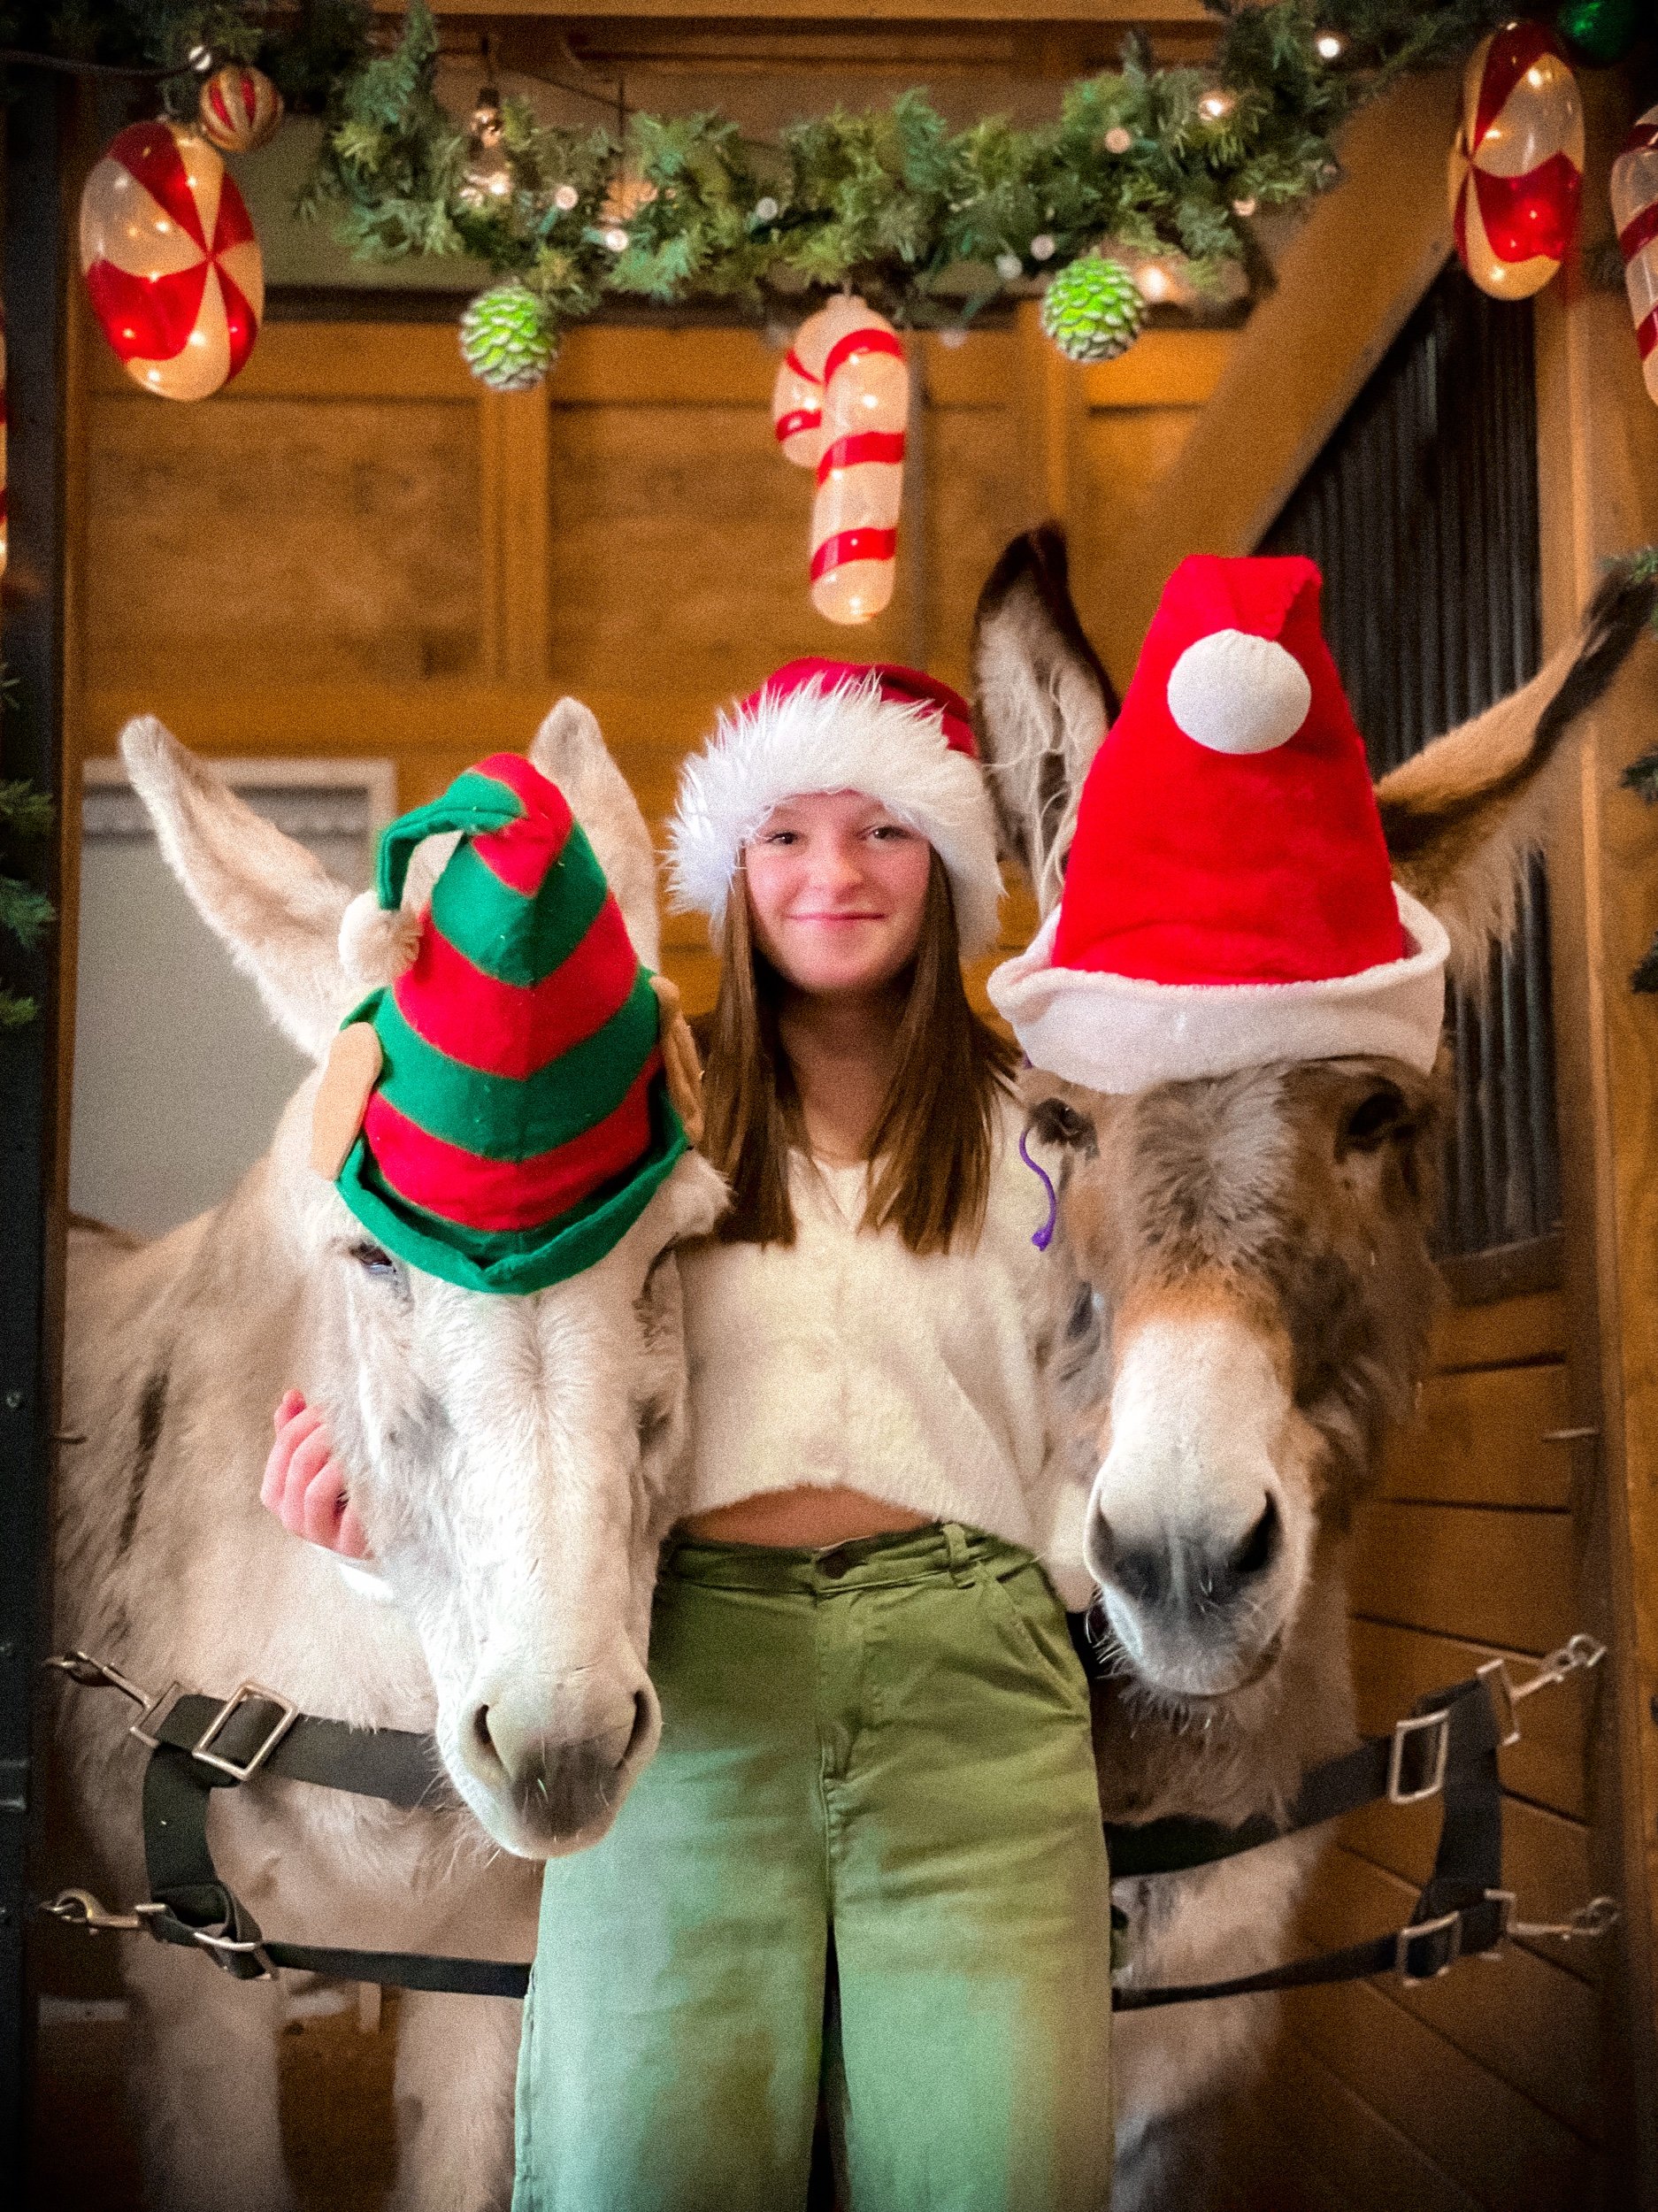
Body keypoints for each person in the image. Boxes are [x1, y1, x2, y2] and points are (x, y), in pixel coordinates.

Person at [263, 659, 1115, 2212]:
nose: (833, 875)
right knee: (636, 2175)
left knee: (1002, 2175)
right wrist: (384, 1551)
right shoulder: (636, 1119)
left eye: (884, 832)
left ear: (951, 864)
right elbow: (520, 1396)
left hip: (975, 1698)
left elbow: (1089, 1429)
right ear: (728, 869)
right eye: (783, 834)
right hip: (695, 1696)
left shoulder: (1046, 1130)